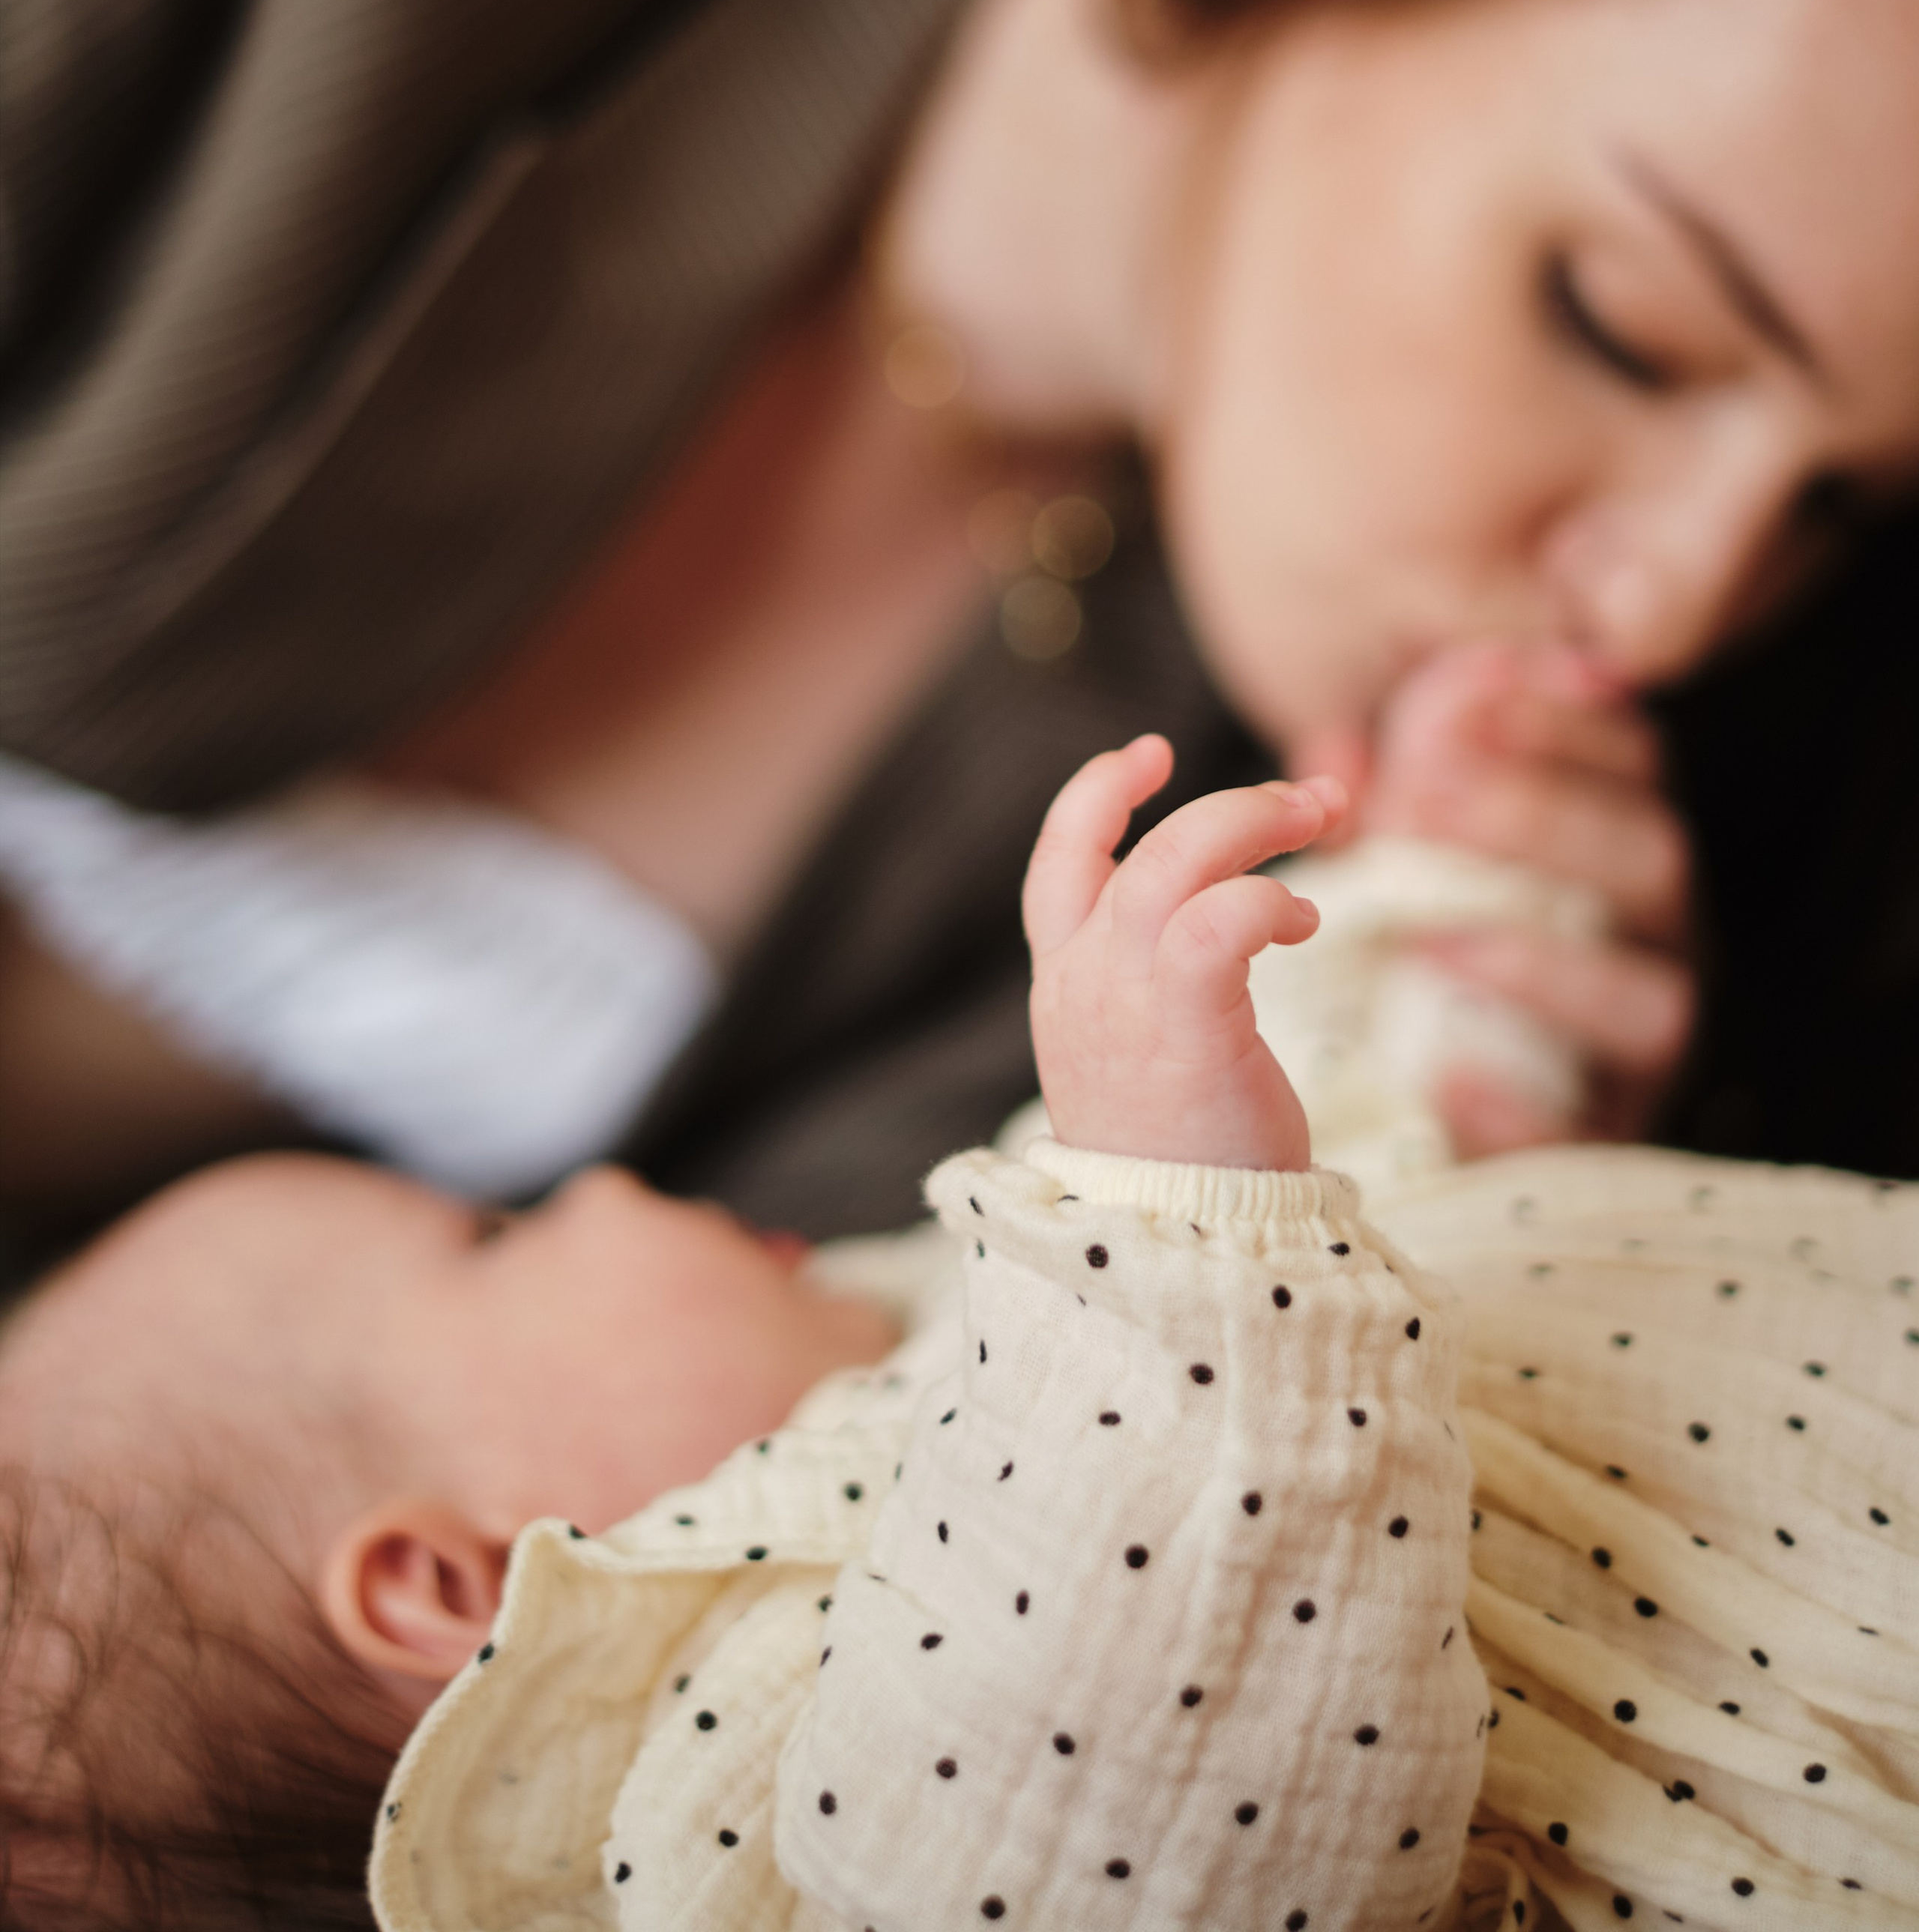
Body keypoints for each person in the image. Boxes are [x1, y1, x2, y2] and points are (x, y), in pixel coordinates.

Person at [4, 0, 1919, 1255]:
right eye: (1625, 328)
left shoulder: (1299, 819)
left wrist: (1400, 1171)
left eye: (1831, 501)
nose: (1671, 602)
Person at [1, 749, 1912, 1930]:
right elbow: (1131, 1810)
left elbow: (1348, 1194)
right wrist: (1161, 1187)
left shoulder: (964, 1334)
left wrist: (1414, 883)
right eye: (491, 1243)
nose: (598, 1188)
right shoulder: (777, 1805)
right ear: (452, 1589)